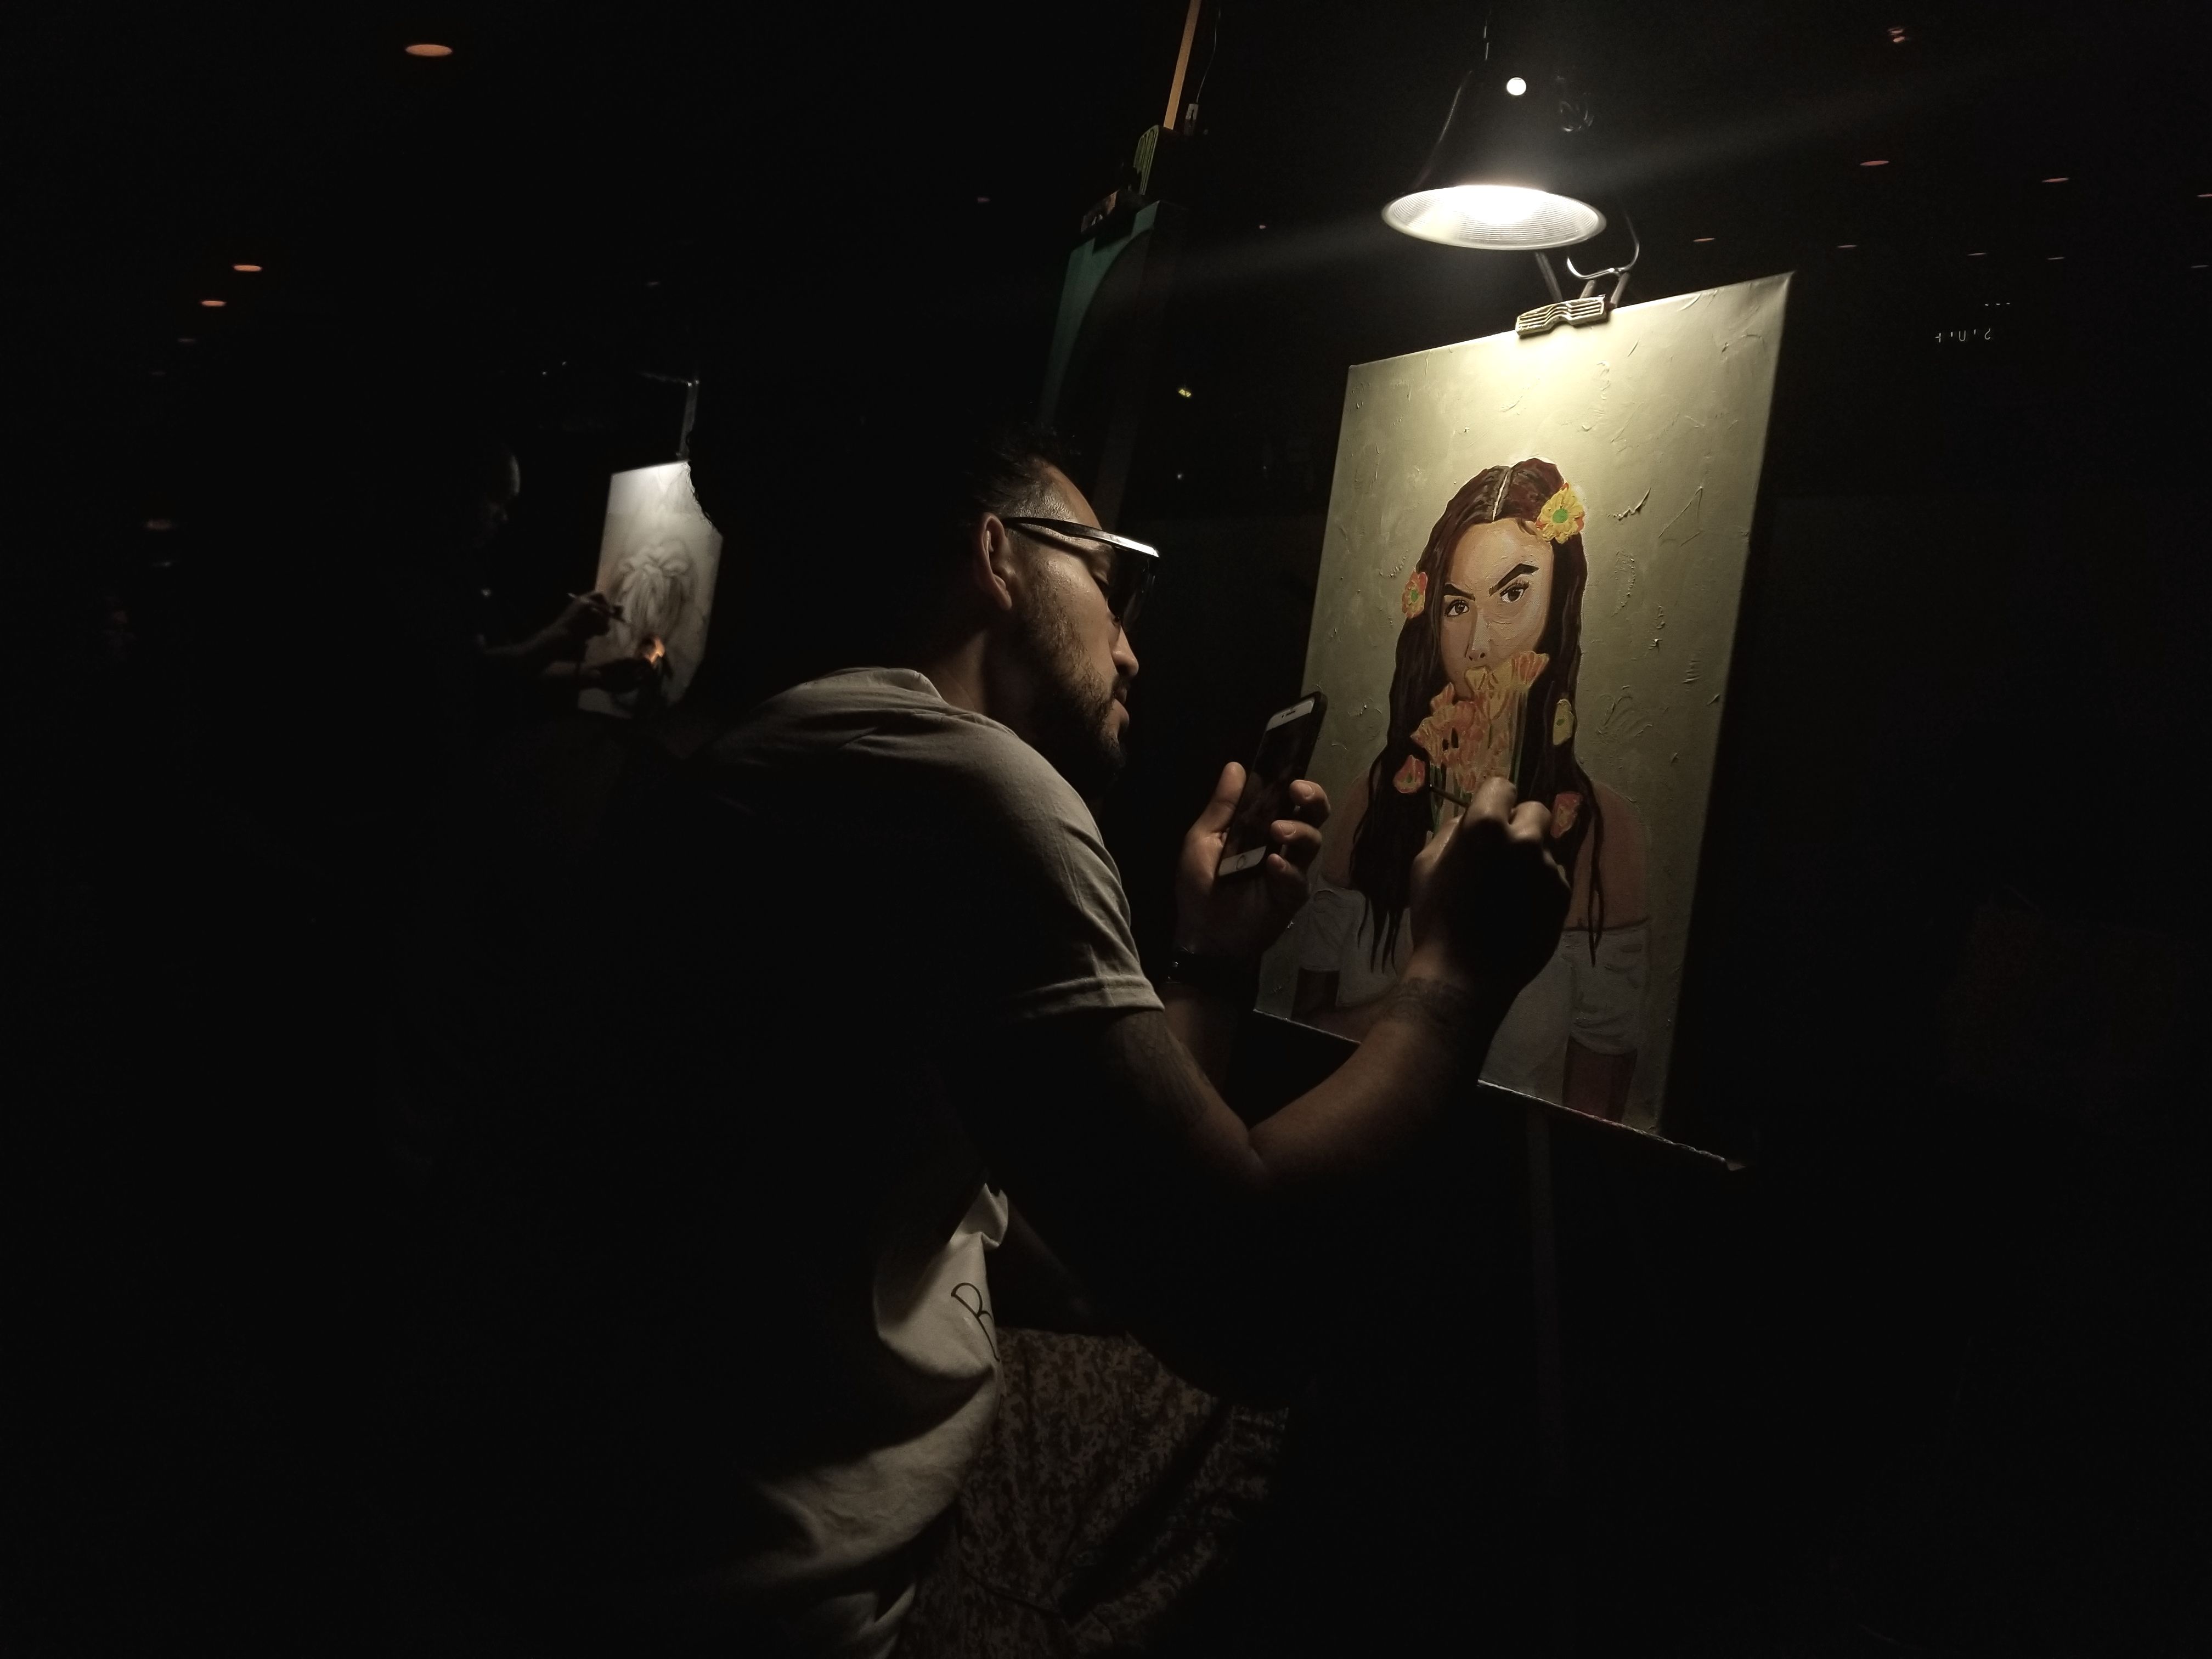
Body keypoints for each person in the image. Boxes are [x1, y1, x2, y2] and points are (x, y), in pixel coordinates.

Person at [406, 424, 1572, 1657]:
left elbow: (1098, 1249)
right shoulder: (953, 785)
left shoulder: (806, 754)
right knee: (1281, 1396)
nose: (1131, 645)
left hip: (570, 1553)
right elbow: (1244, 1296)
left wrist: (1211, 956)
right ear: (996, 555)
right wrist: (1454, 974)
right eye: (1111, 580)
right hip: (754, 1608)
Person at [1290, 456, 1651, 1122]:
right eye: (1458, 606)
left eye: (1513, 595)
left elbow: (1596, 1121)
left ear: (1558, 606)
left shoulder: (1602, 836)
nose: (1479, 644)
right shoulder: (1378, 799)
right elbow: (1300, 1048)